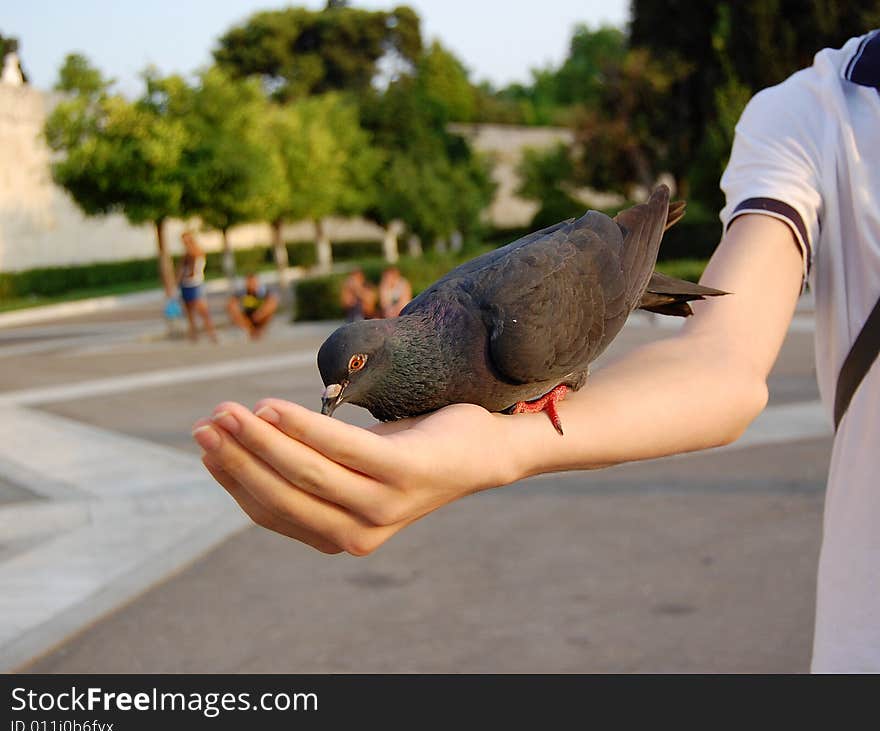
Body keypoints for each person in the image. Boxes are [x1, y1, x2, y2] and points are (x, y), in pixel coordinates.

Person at [192, 31, 880, 672]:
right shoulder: (817, 107)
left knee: (530, 354)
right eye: (339, 384)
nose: (337, 395)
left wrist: (530, 404)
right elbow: (720, 365)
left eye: (347, 378)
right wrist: (504, 448)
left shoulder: (512, 345)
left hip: (575, 285)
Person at [178, 231, 217, 343]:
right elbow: (181, 269)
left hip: (195, 284)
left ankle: (211, 333)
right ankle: (193, 335)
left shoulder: (196, 252)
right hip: (186, 284)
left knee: (202, 310)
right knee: (189, 311)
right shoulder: (186, 254)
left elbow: (194, 270)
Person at [227, 273, 279, 340]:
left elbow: (273, 302)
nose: (251, 284)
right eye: (249, 282)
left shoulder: (263, 291)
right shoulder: (242, 292)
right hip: (246, 318)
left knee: (272, 305)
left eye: (253, 282)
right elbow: (230, 304)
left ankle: (259, 330)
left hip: (260, 316)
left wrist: (260, 313)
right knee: (232, 308)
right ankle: (251, 330)